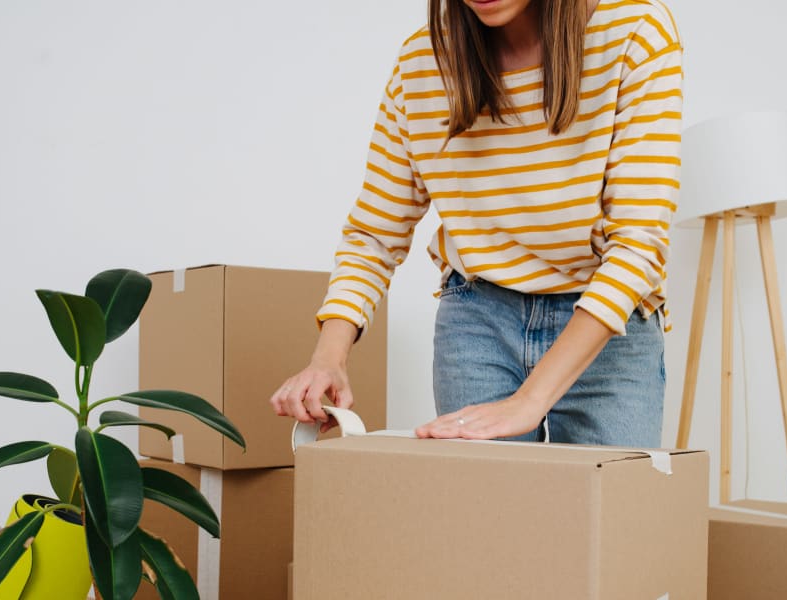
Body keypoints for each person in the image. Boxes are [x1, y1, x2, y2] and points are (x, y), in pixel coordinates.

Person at [270, 0, 682, 446]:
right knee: (484, 514)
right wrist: (329, 357)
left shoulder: (635, 32)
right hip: (477, 321)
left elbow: (637, 244)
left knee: (611, 512)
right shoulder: (422, 65)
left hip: (604, 328)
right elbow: (374, 234)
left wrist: (530, 399)